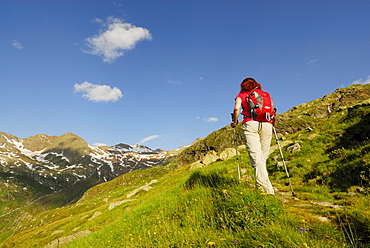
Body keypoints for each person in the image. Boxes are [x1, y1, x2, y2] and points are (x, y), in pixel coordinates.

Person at [231, 77, 275, 195]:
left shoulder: (241, 95)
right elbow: (272, 109)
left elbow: (236, 109)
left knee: (256, 158)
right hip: (267, 125)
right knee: (262, 158)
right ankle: (260, 186)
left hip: (251, 124)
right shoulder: (265, 94)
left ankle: (267, 191)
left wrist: (235, 122)